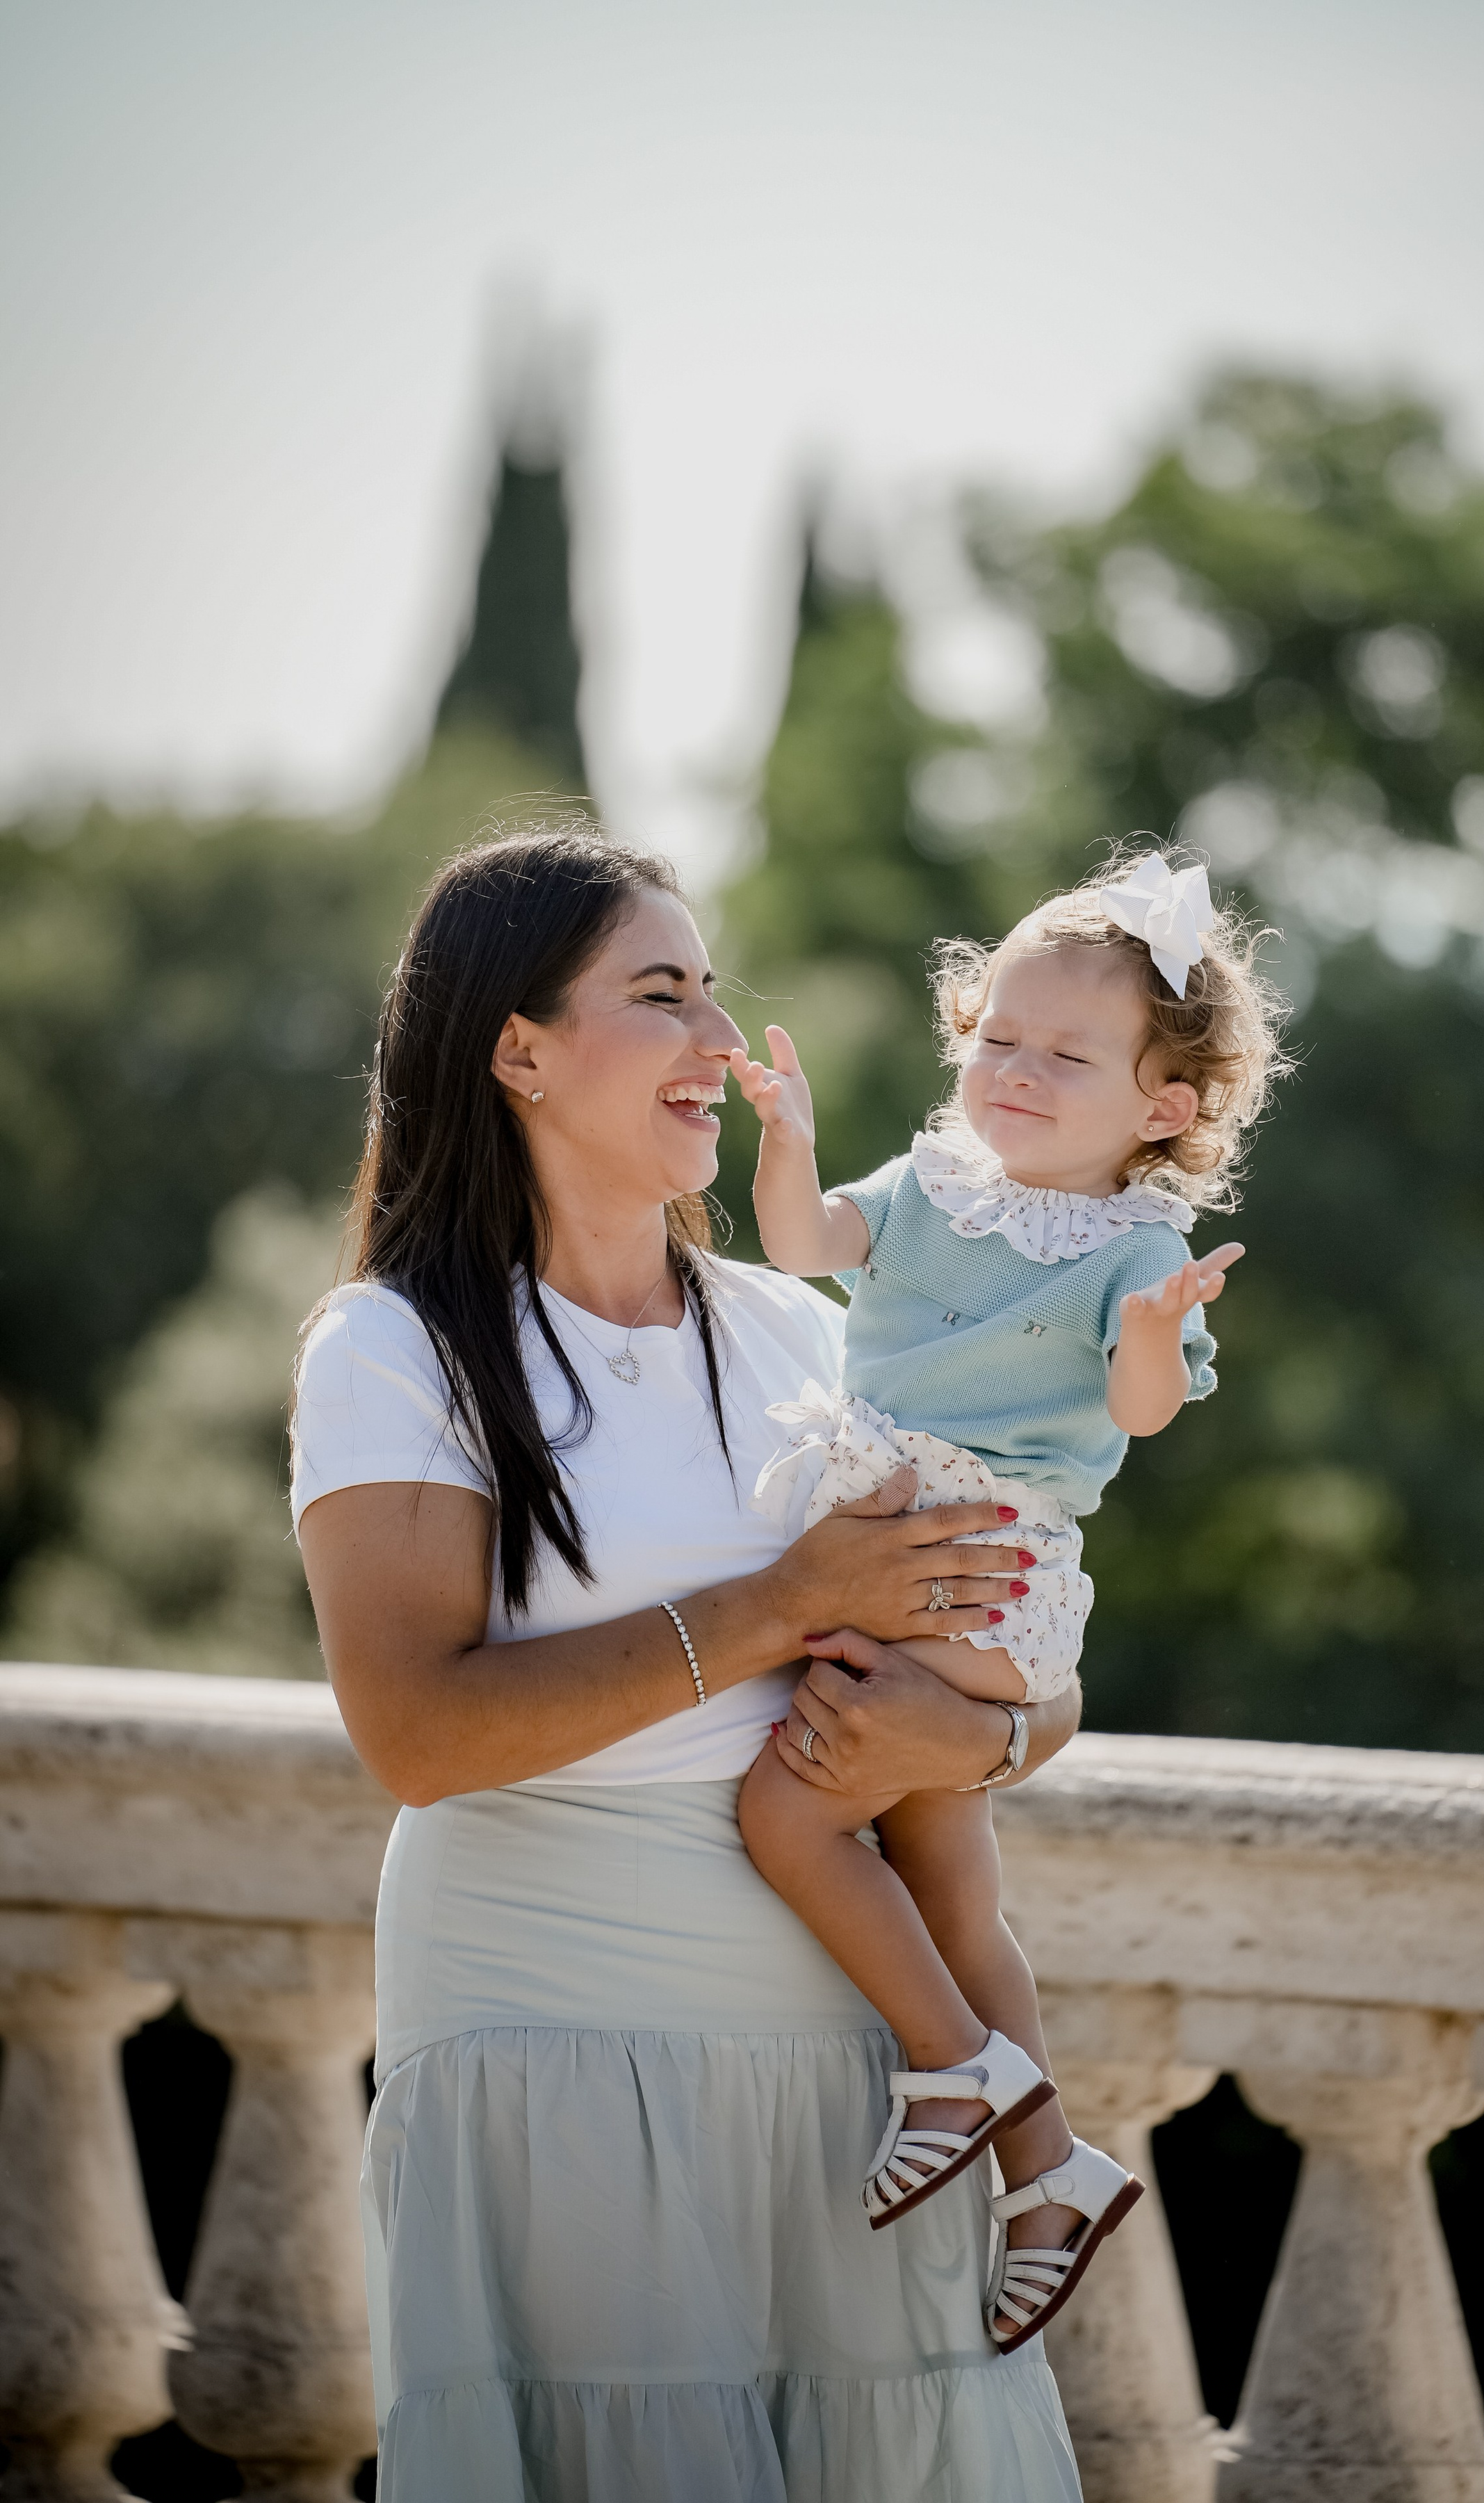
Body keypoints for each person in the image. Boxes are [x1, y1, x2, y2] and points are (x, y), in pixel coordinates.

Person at [292, 828, 1086, 2501]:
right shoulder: (395, 1351)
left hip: (867, 2075)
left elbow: (1033, 1652)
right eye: (662, 998)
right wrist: (778, 1607)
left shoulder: (810, 1331)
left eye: (714, 997)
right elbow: (418, 1736)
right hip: (553, 2049)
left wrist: (962, 1741)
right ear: (517, 1048)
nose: (722, 1046)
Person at [731, 846, 1286, 2350]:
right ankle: (1047, 2174)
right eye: (997, 1040)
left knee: (785, 1811)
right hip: (923, 1553)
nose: (1017, 1075)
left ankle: (948, 2069)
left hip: (971, 1564)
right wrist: (783, 1136)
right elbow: (803, 1247)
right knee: (953, 1890)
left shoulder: (1130, 1246)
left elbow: (1140, 1408)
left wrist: (1160, 1330)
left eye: (1065, 1056)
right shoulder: (927, 1187)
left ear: (1162, 1109)